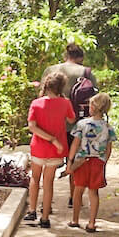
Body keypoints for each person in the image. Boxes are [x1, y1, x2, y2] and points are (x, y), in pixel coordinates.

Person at [24, 71, 75, 228]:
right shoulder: (65, 103)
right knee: (48, 183)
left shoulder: (36, 103)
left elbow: (32, 127)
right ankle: (45, 218)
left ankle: (32, 210)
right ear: (61, 87)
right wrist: (54, 138)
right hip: (56, 149)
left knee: (35, 178)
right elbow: (72, 119)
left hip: (38, 147)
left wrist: (48, 138)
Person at [64, 92, 116, 233]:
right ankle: (92, 223)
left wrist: (70, 161)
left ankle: (75, 219)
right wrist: (103, 161)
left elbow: (75, 144)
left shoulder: (82, 124)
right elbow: (109, 149)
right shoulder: (108, 127)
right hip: (97, 162)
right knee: (94, 192)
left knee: (78, 190)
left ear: (92, 106)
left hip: (82, 160)